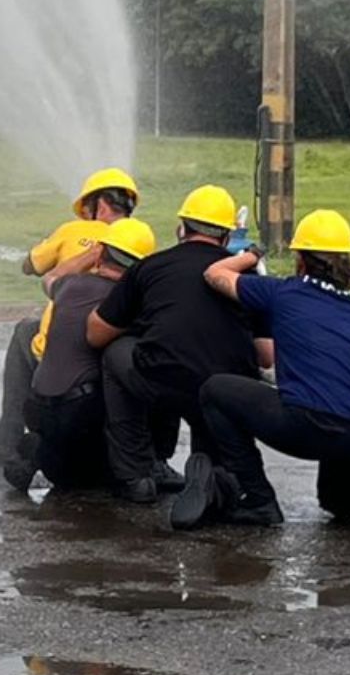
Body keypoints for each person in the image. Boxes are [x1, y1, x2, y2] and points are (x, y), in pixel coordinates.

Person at [195, 209, 350, 534]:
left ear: (300, 260)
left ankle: (257, 499)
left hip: (310, 425)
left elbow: (215, 274)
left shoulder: (284, 292)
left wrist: (252, 255)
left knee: (215, 391)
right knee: (338, 505)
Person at [87, 184, 273, 516]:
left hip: (164, 380)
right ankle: (216, 474)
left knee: (119, 353)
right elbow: (265, 356)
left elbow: (96, 334)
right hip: (225, 391)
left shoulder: (150, 267)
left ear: (181, 228)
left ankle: (137, 473)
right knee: (215, 376)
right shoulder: (246, 276)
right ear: (227, 238)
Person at [0, 167, 138, 472]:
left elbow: (30, 265)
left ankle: (8, 442)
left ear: (96, 204)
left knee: (25, 331)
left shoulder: (71, 231)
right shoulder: (139, 240)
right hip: (108, 359)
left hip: (59, 363)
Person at [6, 218, 157, 493]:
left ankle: (41, 448)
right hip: (80, 416)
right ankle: (141, 465)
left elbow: (50, 278)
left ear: (102, 253)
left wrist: (89, 255)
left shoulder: (70, 287)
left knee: (67, 473)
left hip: (39, 407)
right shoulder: (129, 303)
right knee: (133, 361)